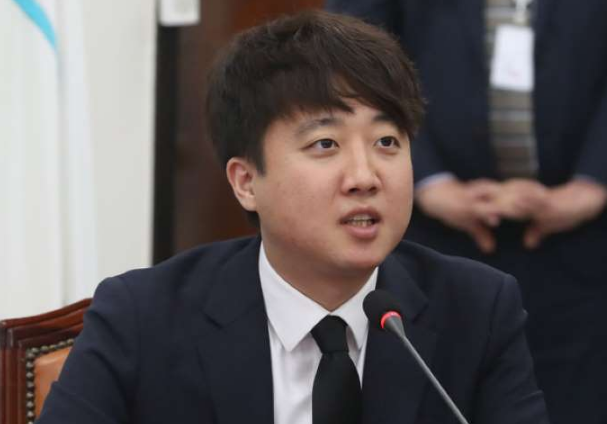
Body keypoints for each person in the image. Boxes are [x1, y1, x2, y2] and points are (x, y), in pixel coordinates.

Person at [37, 10, 549, 424]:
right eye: (325, 144)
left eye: (387, 142)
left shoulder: (477, 311)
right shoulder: (141, 318)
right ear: (246, 182)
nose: (365, 176)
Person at [325, 1, 607, 424]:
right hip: (430, 231)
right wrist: (427, 179)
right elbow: (351, 56)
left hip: (585, 243)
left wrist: (594, 181)